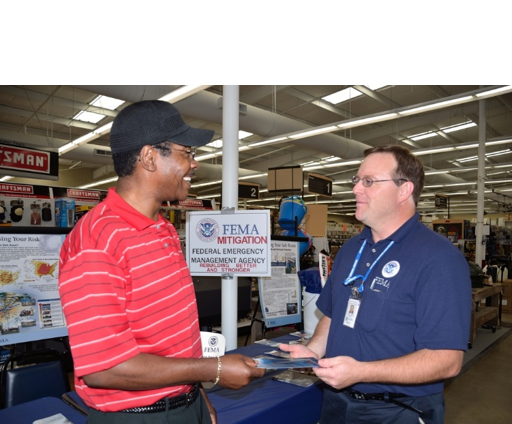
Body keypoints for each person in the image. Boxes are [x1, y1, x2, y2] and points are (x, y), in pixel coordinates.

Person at [59, 100, 264, 423]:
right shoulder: (96, 242)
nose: (194, 164)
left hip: (184, 402)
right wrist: (214, 369)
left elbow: (174, 340)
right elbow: (105, 368)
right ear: (150, 157)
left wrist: (197, 394)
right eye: (187, 152)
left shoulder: (163, 229)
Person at [280, 145, 472, 424]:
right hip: (336, 402)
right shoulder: (350, 249)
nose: (356, 189)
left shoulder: (439, 259)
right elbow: (334, 314)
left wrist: (361, 372)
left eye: (368, 181)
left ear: (404, 190)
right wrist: (313, 350)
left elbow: (447, 360)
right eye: (356, 181)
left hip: (398, 410)